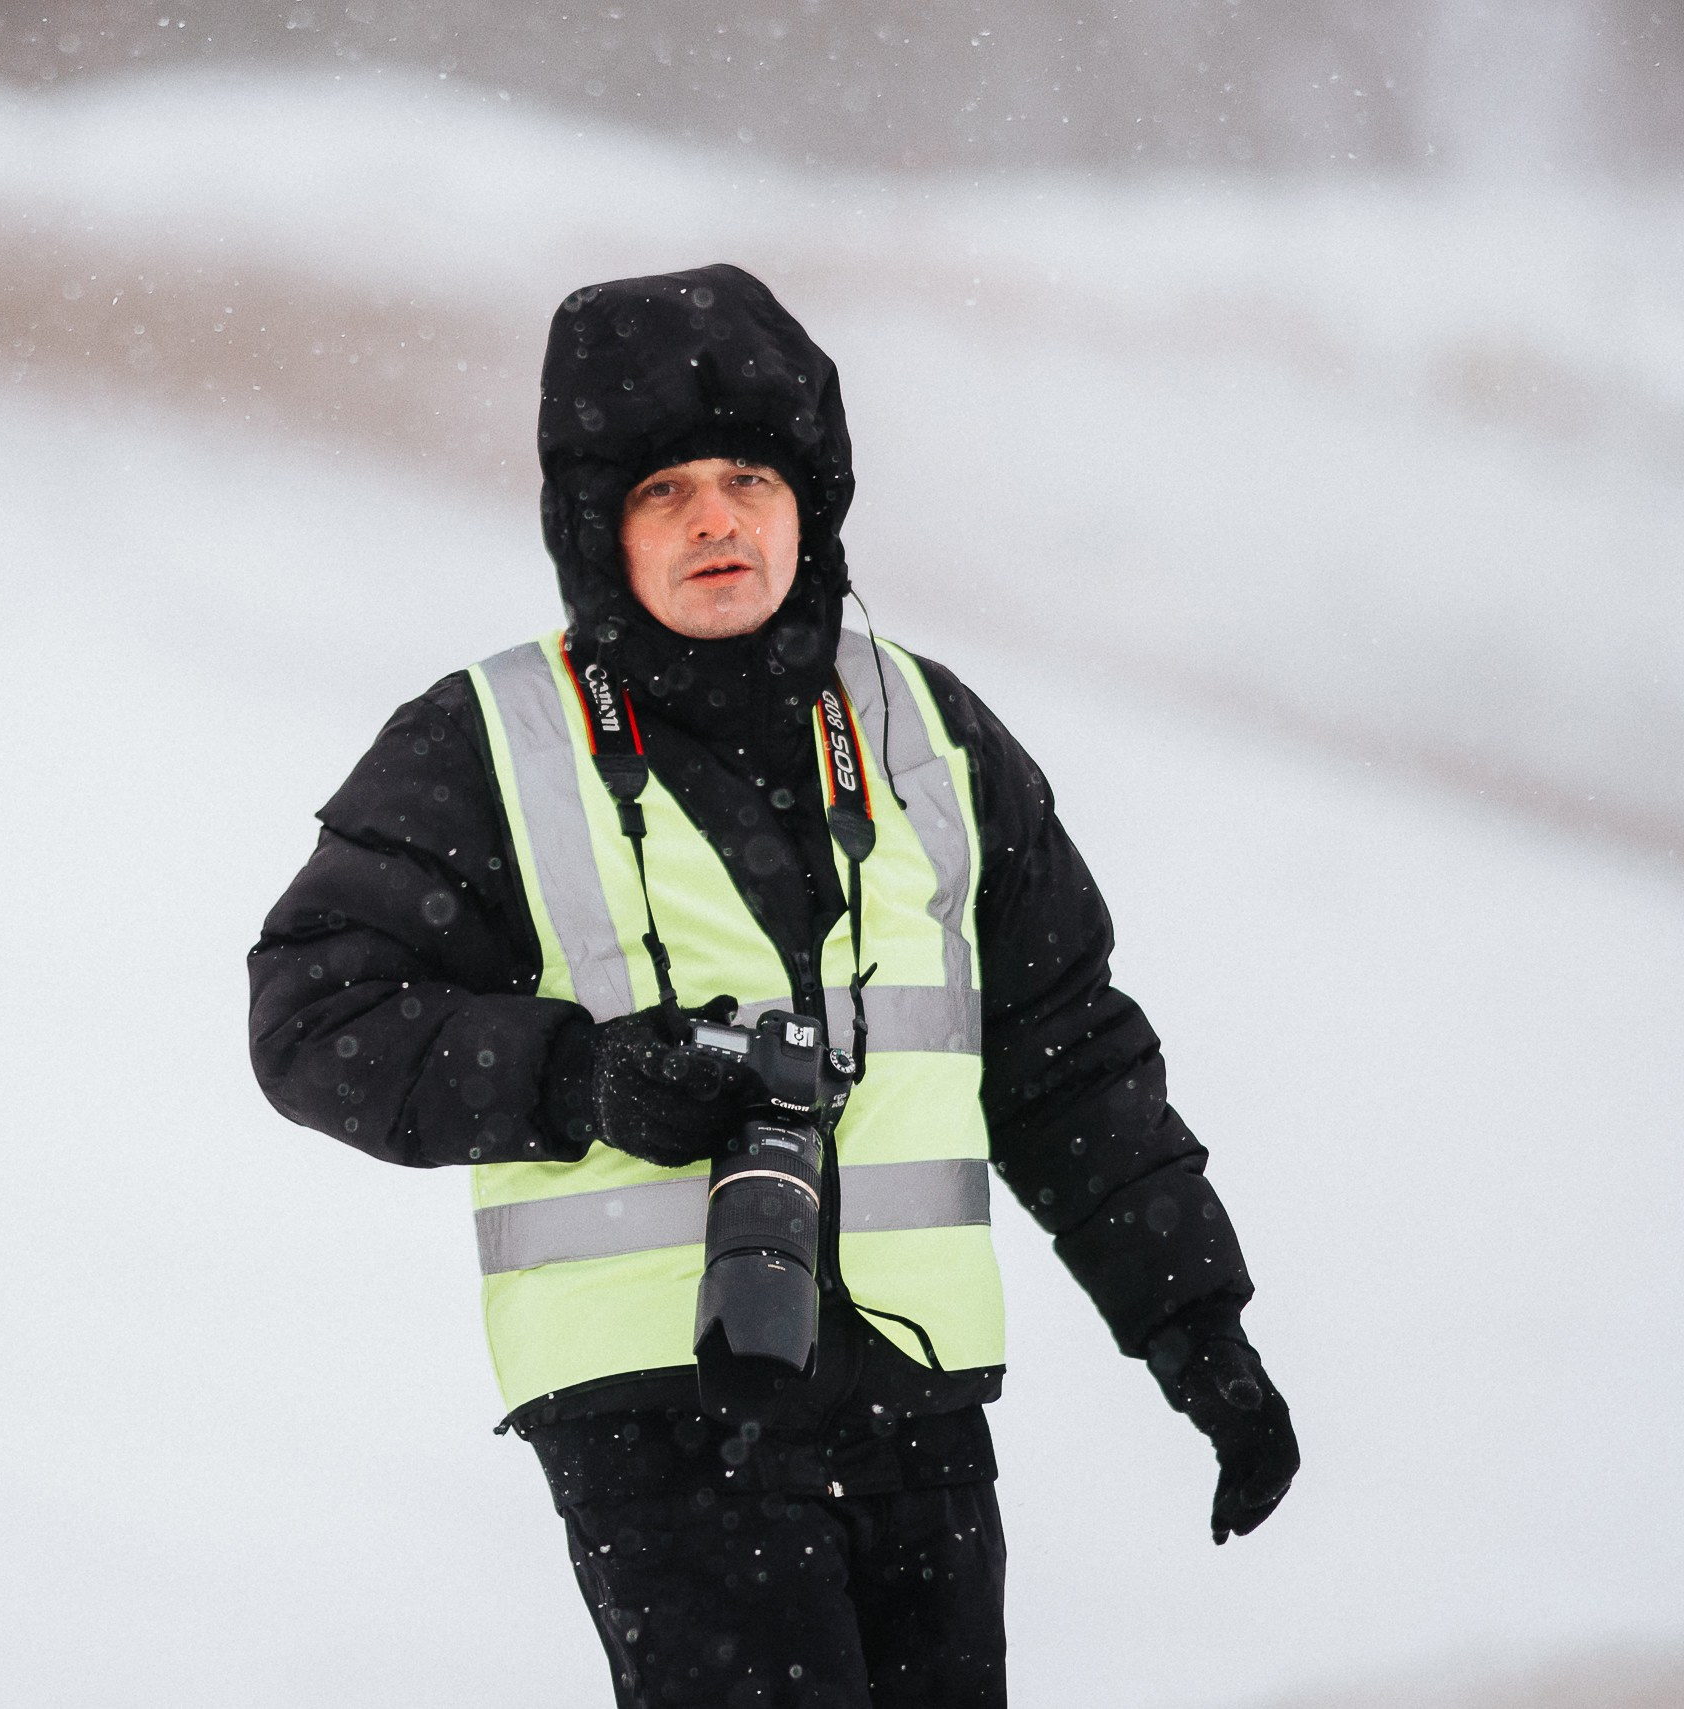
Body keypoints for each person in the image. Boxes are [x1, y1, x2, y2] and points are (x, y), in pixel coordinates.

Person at [246, 264, 1298, 1708]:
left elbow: (1067, 1057)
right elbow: (314, 1019)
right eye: (664, 489)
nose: (717, 521)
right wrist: (583, 1077)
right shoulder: (490, 742)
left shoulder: (931, 733)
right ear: (597, 529)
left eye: (748, 474)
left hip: (917, 1397)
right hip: (656, 1414)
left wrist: (1201, 1334)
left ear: (813, 498)